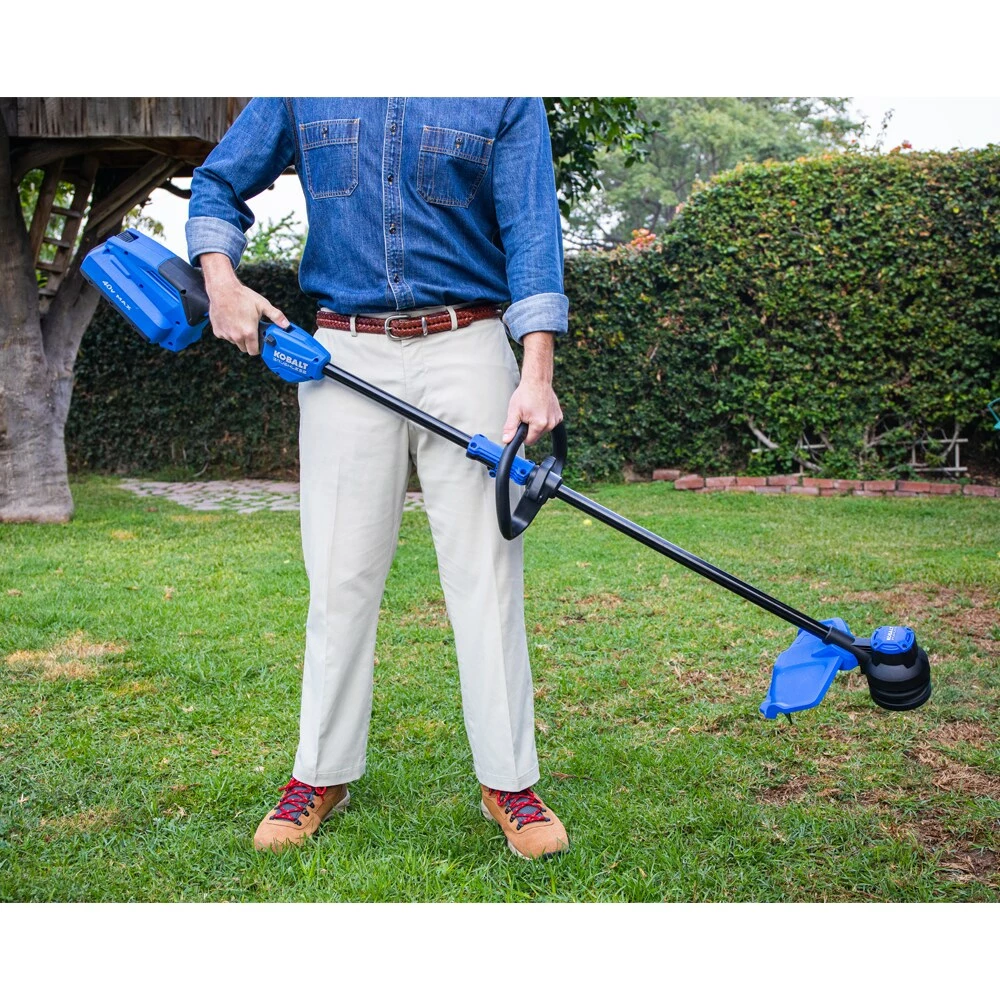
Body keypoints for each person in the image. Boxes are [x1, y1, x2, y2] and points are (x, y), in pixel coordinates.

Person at [186, 98, 569, 860]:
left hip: (467, 344)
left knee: (487, 576)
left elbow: (532, 229)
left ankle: (509, 782)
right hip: (344, 351)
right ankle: (320, 773)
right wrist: (220, 279)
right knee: (338, 577)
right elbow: (217, 181)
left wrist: (536, 374)